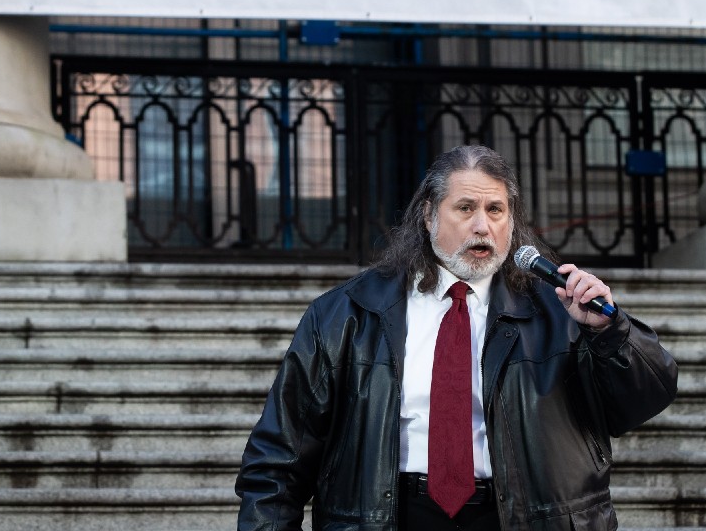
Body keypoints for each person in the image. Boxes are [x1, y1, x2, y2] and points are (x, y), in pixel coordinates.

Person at [236, 145, 677, 530]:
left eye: (495, 210)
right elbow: (279, 458)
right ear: (429, 215)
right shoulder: (346, 314)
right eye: (465, 208)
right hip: (391, 514)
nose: (482, 226)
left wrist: (607, 331)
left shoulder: (562, 313)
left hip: (523, 517)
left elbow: (642, 400)